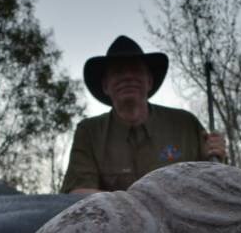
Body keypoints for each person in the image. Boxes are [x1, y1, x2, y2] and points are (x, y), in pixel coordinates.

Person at [60, 35, 227, 194]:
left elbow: (213, 184)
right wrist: (141, 205)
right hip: (115, 223)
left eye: (136, 70)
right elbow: (79, 192)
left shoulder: (185, 124)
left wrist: (217, 158)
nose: (127, 76)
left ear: (149, 81)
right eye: (118, 71)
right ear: (105, 86)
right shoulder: (89, 132)